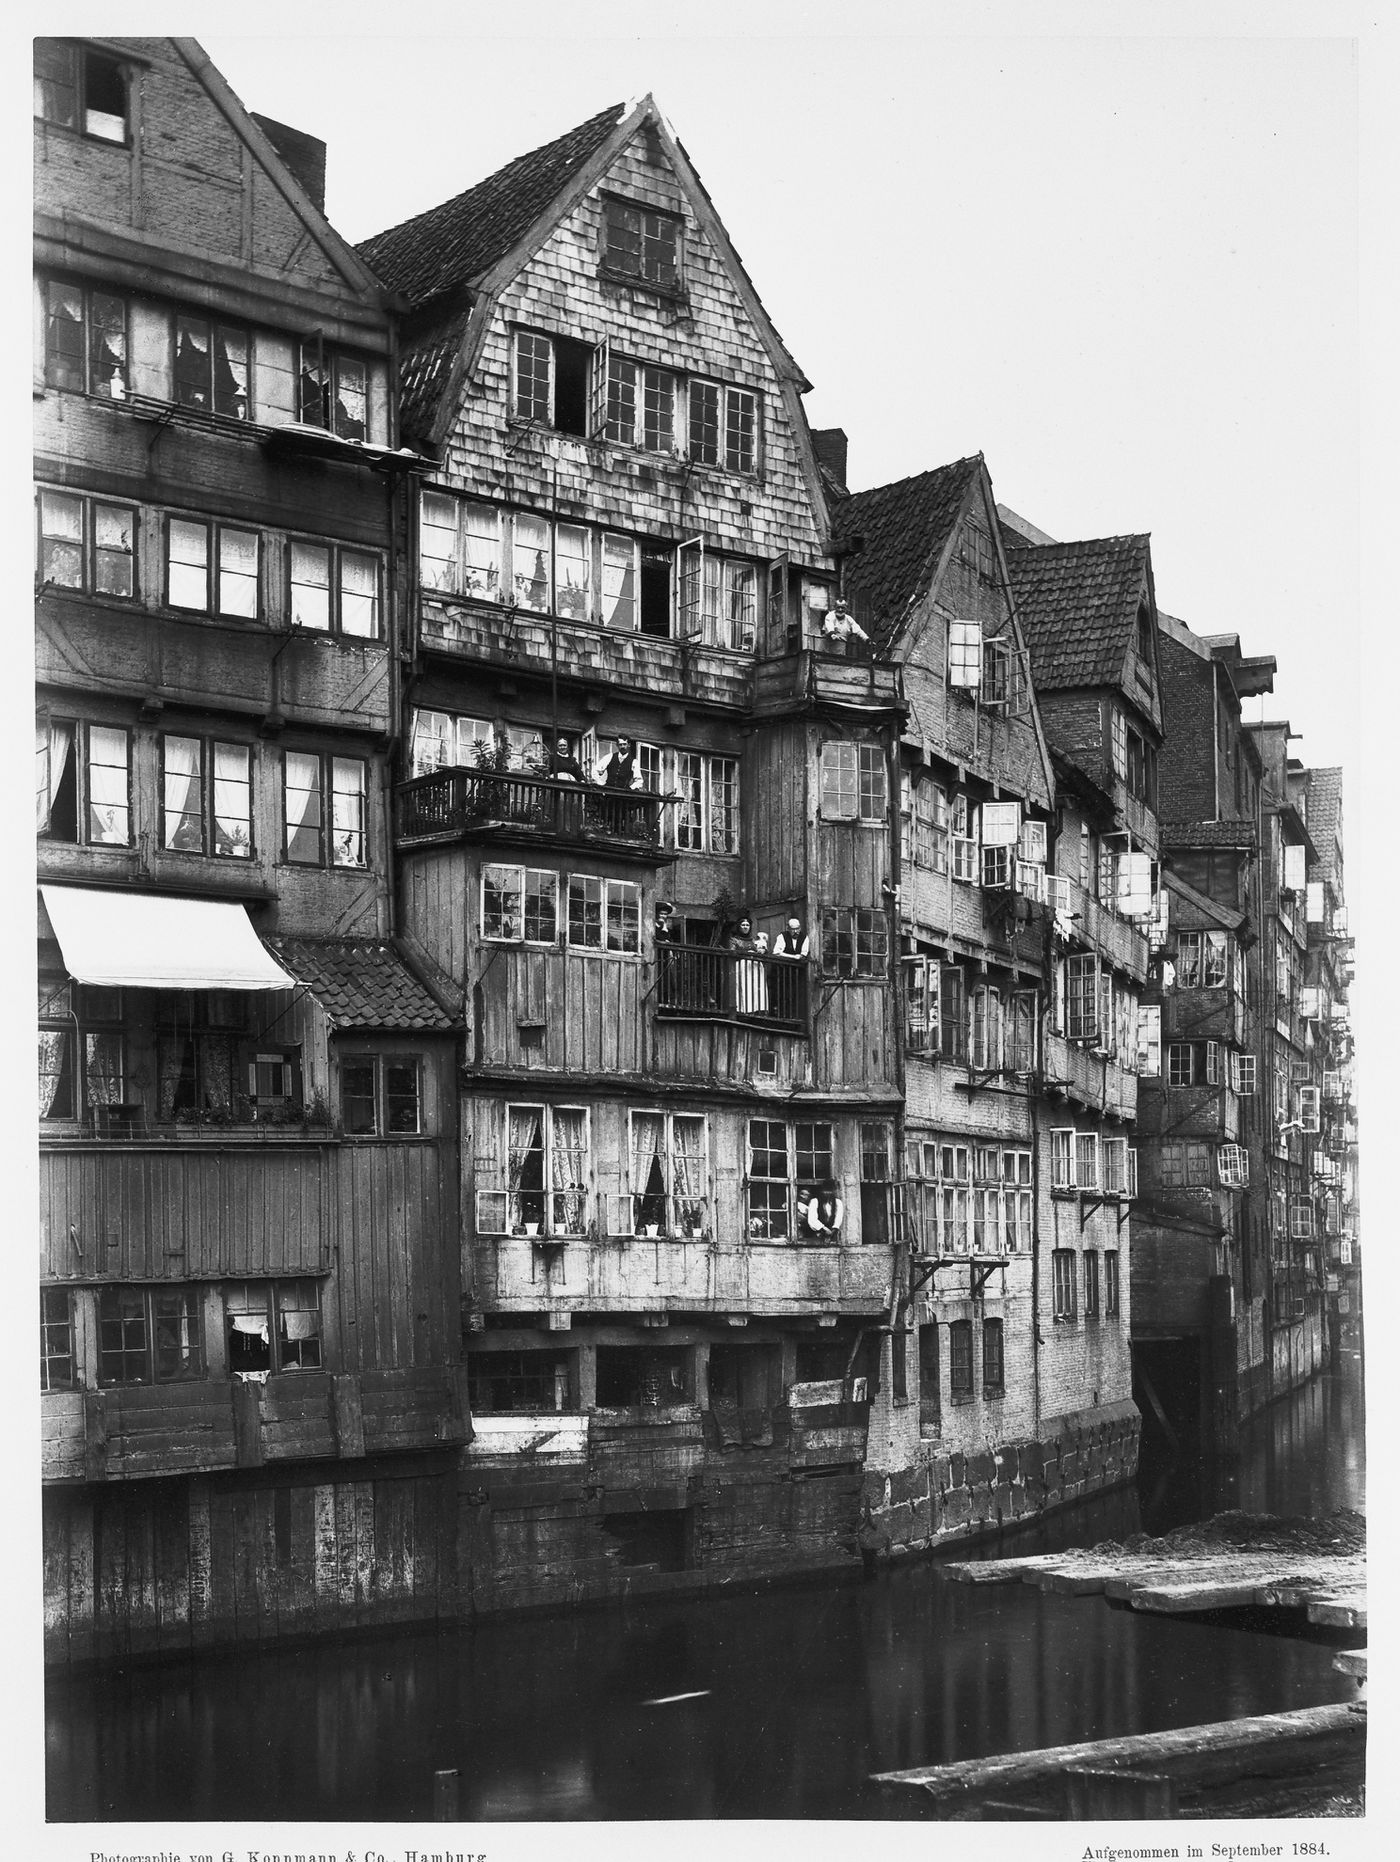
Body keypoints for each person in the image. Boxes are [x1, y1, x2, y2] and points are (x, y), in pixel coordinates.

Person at [726, 912, 768, 1015]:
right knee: (745, 988)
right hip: (743, 967)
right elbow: (732, 952)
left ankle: (758, 1010)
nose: (745, 927)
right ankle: (745, 1010)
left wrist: (763, 951)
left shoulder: (754, 940)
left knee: (757, 988)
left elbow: (762, 950)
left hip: (755, 967)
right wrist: (747, 953)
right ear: (739, 926)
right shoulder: (734, 940)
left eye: (747, 925)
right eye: (743, 925)